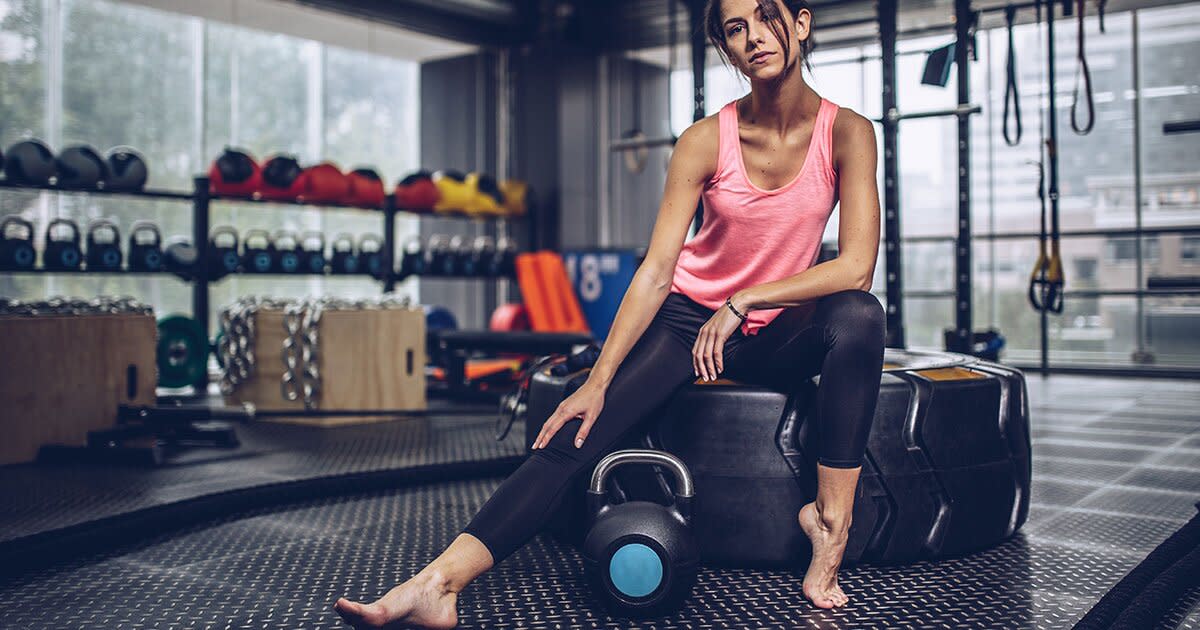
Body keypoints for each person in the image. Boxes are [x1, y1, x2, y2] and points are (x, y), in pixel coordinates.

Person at [334, 0, 883, 626]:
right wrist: (596, 382)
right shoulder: (707, 140)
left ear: (802, 22)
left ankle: (829, 527)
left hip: (774, 328)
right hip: (688, 323)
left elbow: (856, 265)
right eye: (735, 27)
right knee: (578, 431)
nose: (755, 36)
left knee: (859, 316)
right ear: (725, 48)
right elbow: (655, 270)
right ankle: (438, 583)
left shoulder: (848, 132)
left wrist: (746, 300)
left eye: (765, 15)